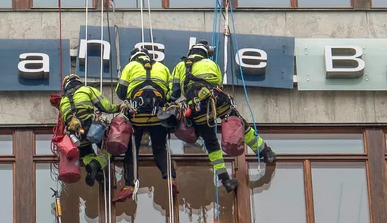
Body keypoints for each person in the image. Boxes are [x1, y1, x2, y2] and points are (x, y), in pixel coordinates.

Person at [170, 41, 277, 193]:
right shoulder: (210, 64)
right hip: (217, 101)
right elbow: (219, 83)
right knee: (239, 124)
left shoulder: (179, 67)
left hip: (196, 109)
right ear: (205, 53)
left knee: (211, 143)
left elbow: (173, 93)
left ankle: (225, 180)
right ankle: (266, 152)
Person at [112, 47, 178, 203]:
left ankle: (129, 185)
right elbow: (171, 94)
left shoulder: (130, 66)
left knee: (132, 151)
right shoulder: (162, 68)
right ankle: (170, 179)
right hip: (158, 116)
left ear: (133, 57)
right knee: (160, 149)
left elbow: (121, 93)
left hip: (136, 116)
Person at [55, 74, 119, 187]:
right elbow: (105, 107)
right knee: (111, 148)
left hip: (75, 135)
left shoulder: (63, 101)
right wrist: (119, 108)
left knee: (86, 153)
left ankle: (96, 172)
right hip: (92, 129)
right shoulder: (87, 90)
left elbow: (64, 121)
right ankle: (96, 164)